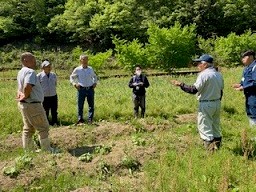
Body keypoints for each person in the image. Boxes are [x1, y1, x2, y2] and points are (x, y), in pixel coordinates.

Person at [171, 54, 224, 150]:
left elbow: (193, 90)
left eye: (199, 63)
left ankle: (210, 152)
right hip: (217, 102)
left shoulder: (203, 75)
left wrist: (181, 84)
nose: (197, 65)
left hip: (206, 103)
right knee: (216, 127)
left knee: (205, 128)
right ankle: (218, 148)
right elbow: (221, 91)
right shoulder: (218, 74)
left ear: (205, 64)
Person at [16, 52, 52, 152]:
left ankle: (28, 150)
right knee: (43, 127)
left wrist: (21, 96)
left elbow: (20, 88)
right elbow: (27, 86)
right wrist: (26, 95)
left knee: (28, 128)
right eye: (32, 60)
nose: (35, 61)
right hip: (33, 104)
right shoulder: (30, 72)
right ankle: (47, 149)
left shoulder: (20, 72)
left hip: (24, 105)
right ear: (25, 61)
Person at [70, 55, 97, 125]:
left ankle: (90, 119)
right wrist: (74, 84)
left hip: (90, 89)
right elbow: (72, 77)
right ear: (80, 61)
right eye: (83, 59)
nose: (85, 61)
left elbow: (94, 76)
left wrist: (95, 82)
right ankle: (80, 119)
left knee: (91, 105)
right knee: (80, 105)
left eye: (86, 60)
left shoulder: (90, 69)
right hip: (81, 89)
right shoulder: (77, 69)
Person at [233, 50, 256, 126]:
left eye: (244, 57)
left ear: (251, 57)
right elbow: (244, 80)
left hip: (254, 94)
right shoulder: (246, 68)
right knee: (250, 112)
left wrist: (243, 87)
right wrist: (240, 84)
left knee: (254, 113)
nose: (242, 59)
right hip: (248, 95)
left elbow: (255, 82)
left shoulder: (255, 67)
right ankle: (252, 133)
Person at [37, 60, 59, 126]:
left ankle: (55, 122)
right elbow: (37, 86)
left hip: (53, 95)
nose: (49, 68)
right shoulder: (39, 76)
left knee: (54, 110)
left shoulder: (53, 75)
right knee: (45, 110)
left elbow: (55, 84)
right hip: (44, 96)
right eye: (47, 67)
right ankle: (46, 123)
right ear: (43, 68)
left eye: (50, 66)